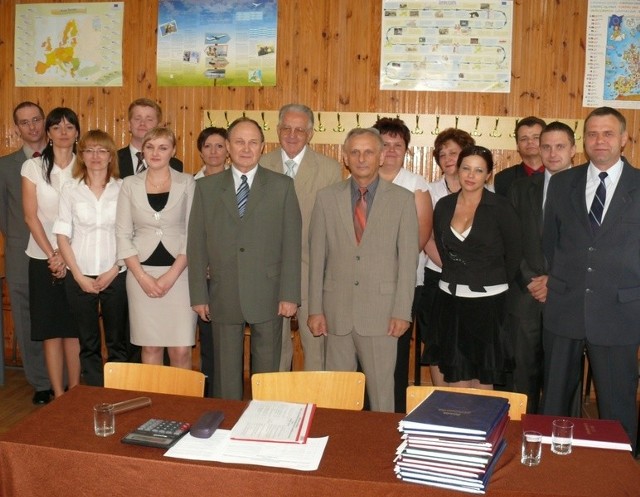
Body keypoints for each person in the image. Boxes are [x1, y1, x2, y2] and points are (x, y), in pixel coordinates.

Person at [542, 106, 640, 449]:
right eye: (593, 134)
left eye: (608, 133)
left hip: (619, 312)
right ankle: (549, 469)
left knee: (617, 405)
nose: (600, 141)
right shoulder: (562, 183)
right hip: (564, 306)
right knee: (553, 401)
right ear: (584, 141)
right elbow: (549, 243)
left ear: (624, 139)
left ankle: (621, 472)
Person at [188, 117, 302, 400]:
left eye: (253, 142)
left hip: (269, 293)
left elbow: (292, 244)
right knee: (225, 376)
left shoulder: (282, 186)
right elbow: (196, 245)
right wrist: (199, 296)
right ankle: (227, 426)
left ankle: (263, 428)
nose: (246, 148)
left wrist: (290, 294)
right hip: (223, 293)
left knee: (266, 377)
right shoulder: (206, 188)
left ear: (262, 147)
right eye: (239, 142)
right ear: (227, 146)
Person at [308, 127, 419, 412]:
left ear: (381, 157)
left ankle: (381, 452)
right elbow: (317, 257)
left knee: (382, 395)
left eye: (368, 152)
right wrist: (315, 309)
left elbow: (408, 262)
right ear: (345, 157)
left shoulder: (403, 200)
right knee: (338, 397)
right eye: (355, 152)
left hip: (382, 315)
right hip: (336, 313)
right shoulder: (326, 197)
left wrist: (402, 312)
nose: (361, 158)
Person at [430, 145, 521, 389]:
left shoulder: (501, 208)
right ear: (458, 171)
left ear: (488, 174)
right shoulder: (444, 206)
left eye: (478, 170)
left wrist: (490, 279)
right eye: (466, 169)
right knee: (455, 380)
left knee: (484, 381)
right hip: (450, 300)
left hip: (489, 305)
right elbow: (442, 247)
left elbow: (514, 255)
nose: (471, 176)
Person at [260, 104, 342, 372]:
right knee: (274, 347)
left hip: (313, 271)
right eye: (287, 128)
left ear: (310, 133)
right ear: (277, 130)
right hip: (270, 272)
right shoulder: (261, 165)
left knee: (316, 347)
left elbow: (333, 226)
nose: (292, 135)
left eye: (299, 129)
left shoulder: (330, 169)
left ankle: (316, 405)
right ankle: (276, 406)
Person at [502, 121, 574, 414]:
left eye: (560, 147)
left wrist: (554, 280)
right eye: (546, 146)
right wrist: (532, 279)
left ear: (573, 150)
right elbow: (510, 240)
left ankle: (561, 438)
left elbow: (586, 247)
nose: (552, 153)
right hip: (525, 294)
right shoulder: (520, 188)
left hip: (567, 294)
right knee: (522, 374)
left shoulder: (587, 189)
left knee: (563, 376)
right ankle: (521, 435)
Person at [116, 127, 196, 369]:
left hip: (180, 275)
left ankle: (183, 405)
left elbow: (193, 234)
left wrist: (170, 277)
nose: (155, 152)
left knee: (181, 349)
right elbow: (121, 233)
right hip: (141, 274)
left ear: (173, 151)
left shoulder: (188, 182)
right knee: (150, 347)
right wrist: (142, 277)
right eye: (150, 147)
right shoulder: (129, 184)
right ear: (142, 151)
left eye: (162, 147)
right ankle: (156, 406)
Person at [53, 130, 128, 387]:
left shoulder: (123, 189)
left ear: (111, 156)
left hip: (115, 274)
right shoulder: (70, 189)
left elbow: (129, 233)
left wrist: (114, 269)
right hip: (80, 274)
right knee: (88, 343)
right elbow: (62, 235)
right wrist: (77, 275)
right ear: (81, 155)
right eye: (89, 150)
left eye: (102, 150)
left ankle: (118, 394)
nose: (96, 156)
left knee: (118, 342)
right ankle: (95, 396)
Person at [372, 117, 432, 413]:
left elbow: (420, 236)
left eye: (398, 145)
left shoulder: (415, 185)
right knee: (364, 352)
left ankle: (391, 415)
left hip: (403, 283)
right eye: (385, 143)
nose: (392, 150)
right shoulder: (357, 180)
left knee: (394, 354)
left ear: (406, 150)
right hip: (364, 284)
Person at [21, 107, 81, 398]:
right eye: (56, 127)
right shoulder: (33, 167)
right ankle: (58, 394)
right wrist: (53, 254)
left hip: (79, 258)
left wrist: (66, 254)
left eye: (69, 127)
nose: (63, 132)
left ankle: (77, 392)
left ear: (77, 133)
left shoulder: (86, 165)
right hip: (42, 258)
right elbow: (31, 217)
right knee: (51, 330)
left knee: (74, 331)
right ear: (49, 133)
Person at [0, 102, 52, 404]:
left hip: (63, 252)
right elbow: (4, 217)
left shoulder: (64, 158)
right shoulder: (5, 166)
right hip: (22, 255)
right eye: (24, 122)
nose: (31, 127)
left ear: (44, 122)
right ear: (16, 127)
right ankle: (40, 382)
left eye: (36, 120)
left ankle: (70, 378)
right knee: (26, 320)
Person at [420, 128, 475, 387]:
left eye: (453, 152)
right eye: (442, 154)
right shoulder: (428, 191)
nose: (447, 158)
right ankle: (440, 400)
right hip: (438, 276)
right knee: (438, 343)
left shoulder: (488, 190)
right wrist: (452, 267)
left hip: (476, 281)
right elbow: (426, 237)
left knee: (469, 342)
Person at [194, 126, 228, 397]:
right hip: (200, 272)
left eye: (219, 145)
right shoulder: (189, 184)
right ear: (200, 151)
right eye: (208, 146)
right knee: (206, 337)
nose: (214, 152)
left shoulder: (239, 183)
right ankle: (209, 393)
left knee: (228, 339)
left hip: (229, 271)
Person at [117, 98, 183, 178]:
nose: (142, 123)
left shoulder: (175, 165)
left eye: (149, 119)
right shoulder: (113, 161)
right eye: (137, 119)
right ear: (129, 125)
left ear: (158, 126)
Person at [494, 116, 546, 196]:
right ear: (517, 146)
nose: (530, 141)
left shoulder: (560, 175)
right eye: (524, 139)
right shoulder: (504, 178)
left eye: (536, 137)